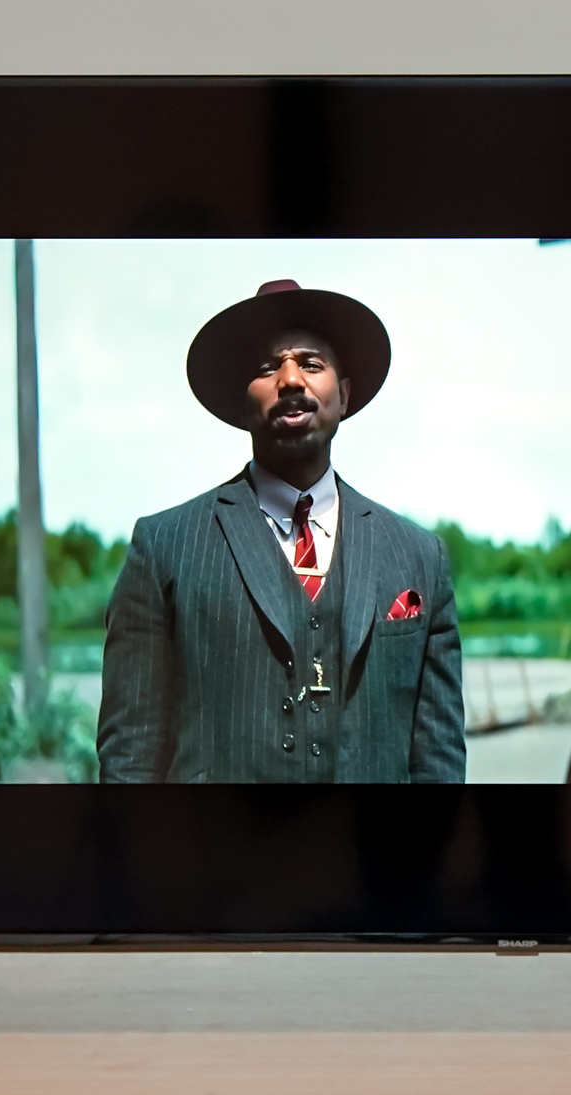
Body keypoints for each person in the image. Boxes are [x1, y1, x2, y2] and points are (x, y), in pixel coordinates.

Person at [97, 280, 465, 783]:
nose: (291, 379)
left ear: (346, 395)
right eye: (268, 368)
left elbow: (439, 761)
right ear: (241, 401)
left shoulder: (421, 557)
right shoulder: (164, 548)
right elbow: (129, 759)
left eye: (312, 364)